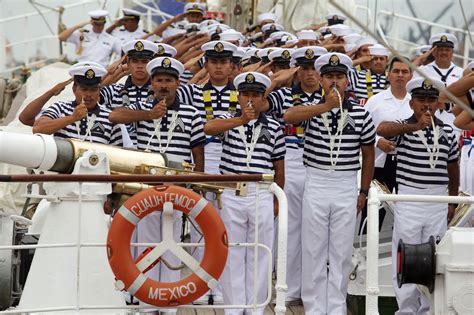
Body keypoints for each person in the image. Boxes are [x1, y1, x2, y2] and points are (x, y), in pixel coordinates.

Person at [109, 56, 205, 311]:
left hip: (178, 186)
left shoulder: (192, 112)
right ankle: (147, 302)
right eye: (159, 80)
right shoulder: (140, 106)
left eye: (169, 81)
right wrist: (148, 114)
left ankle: (169, 303)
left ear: (177, 83)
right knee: (147, 244)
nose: (164, 85)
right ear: (152, 83)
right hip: (147, 187)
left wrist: (198, 185)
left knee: (172, 244)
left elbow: (197, 151)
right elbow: (114, 116)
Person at [284, 52, 375, 314]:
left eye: (340, 77)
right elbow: (289, 116)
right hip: (317, 181)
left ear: (347, 80)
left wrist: (364, 190)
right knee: (313, 248)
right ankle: (314, 307)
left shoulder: (361, 113)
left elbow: (368, 153)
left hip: (346, 183)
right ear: (321, 79)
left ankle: (335, 307)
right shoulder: (311, 107)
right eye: (330, 76)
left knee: (341, 250)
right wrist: (325, 106)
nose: (335, 82)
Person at [203, 71, 285, 315]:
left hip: (261, 192)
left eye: (255, 95)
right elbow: (208, 128)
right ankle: (234, 308)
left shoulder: (274, 126)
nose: (250, 100)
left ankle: (255, 308)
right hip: (232, 193)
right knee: (233, 251)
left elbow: (279, 165)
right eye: (246, 94)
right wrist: (240, 120)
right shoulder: (228, 119)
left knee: (260, 252)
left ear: (263, 99)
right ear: (238, 97)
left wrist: (277, 200)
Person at [377, 77, 459, 314]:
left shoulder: (447, 131)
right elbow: (382, 129)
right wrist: (415, 126)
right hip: (410, 199)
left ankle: (429, 308)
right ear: (412, 103)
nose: (426, 105)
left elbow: (453, 167)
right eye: (421, 99)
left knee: (435, 257)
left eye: (431, 100)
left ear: (438, 104)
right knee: (406, 254)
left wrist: (452, 201)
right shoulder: (404, 127)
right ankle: (406, 310)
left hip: (438, 200)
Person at [178, 40, 239, 304]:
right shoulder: (192, 93)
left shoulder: (243, 91)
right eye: (213, 62)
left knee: (227, 227)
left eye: (223, 62)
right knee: (200, 224)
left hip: (231, 158)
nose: (218, 67)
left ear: (231, 66)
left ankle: (224, 288)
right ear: (207, 64)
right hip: (202, 155)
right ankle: (201, 286)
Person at [267, 46, 327, 306]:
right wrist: (276, 80)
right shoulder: (282, 96)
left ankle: (313, 289)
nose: (310, 73)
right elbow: (253, 104)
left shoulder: (332, 96)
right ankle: (290, 287)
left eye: (314, 68)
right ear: (297, 70)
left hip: (321, 164)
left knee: (316, 231)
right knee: (290, 228)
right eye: (304, 68)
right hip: (290, 162)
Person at [362, 57, 413, 229]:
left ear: (411, 75)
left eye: (405, 71)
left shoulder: (417, 103)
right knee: (373, 214)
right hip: (379, 165)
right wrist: (377, 141)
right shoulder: (374, 102)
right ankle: (367, 251)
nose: (400, 75)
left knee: (406, 214)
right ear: (388, 74)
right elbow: (361, 131)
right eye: (396, 71)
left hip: (407, 166)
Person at [32, 62, 122, 145]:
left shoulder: (110, 117)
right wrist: (72, 118)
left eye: (93, 90)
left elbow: (117, 152)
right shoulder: (60, 108)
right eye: (84, 89)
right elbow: (37, 129)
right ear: (74, 88)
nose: (89, 95)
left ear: (99, 90)